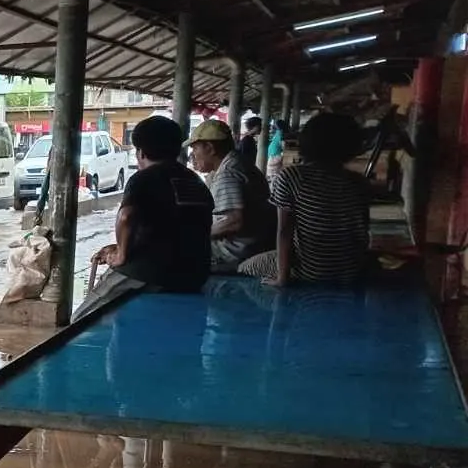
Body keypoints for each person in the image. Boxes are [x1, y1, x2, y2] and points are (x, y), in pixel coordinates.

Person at [77, 116, 214, 319]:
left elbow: (126, 216)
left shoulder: (145, 178)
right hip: (195, 274)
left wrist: (122, 253)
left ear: (140, 152)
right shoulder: (195, 181)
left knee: (81, 318)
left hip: (150, 272)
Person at [238, 112, 368, 286]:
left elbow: (284, 231)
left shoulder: (292, 176)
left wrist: (282, 278)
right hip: (349, 271)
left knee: (245, 267)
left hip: (310, 269)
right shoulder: (358, 181)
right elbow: (362, 234)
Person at [185, 120, 273, 273]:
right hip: (257, 241)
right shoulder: (239, 163)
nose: (193, 155)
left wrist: (197, 236)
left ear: (210, 148)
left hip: (234, 252)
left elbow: (233, 222)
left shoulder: (228, 173)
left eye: (195, 148)